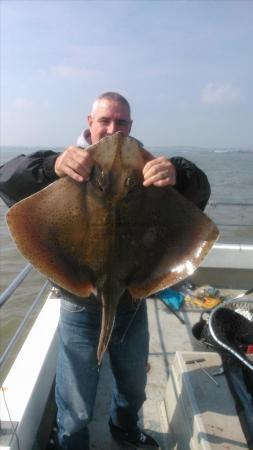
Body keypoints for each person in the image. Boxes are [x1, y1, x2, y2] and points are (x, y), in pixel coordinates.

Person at [0, 92, 211, 449]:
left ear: (131, 126)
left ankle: (124, 429)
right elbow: (6, 178)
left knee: (132, 384)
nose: (113, 130)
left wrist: (178, 173)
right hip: (78, 301)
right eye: (105, 121)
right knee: (77, 397)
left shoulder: (148, 169)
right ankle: (71, 441)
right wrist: (51, 165)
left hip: (132, 299)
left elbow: (199, 193)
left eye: (121, 123)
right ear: (90, 123)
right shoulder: (67, 164)